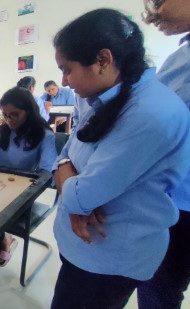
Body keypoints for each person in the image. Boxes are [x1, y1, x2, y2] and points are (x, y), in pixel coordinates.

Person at [50, 9, 190, 309]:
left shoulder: (149, 114)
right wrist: (66, 170)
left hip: (106, 262)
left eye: (67, 69)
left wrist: (69, 182)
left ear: (102, 60)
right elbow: (64, 152)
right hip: (83, 250)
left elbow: (78, 196)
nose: (64, 81)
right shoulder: (103, 96)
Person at [138, 1, 190, 308]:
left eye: (159, 2)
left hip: (180, 203)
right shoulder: (181, 54)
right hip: (175, 199)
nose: (151, 15)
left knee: (161, 287)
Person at [0, 87, 57, 266]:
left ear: (29, 111)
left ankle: (1, 240)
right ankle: (1, 239)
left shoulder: (44, 135)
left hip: (22, 189)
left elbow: (47, 172)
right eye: (5, 115)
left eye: (15, 114)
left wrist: (27, 185)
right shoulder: (3, 130)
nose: (9, 120)